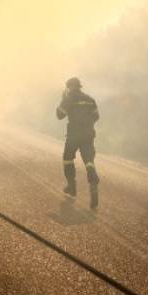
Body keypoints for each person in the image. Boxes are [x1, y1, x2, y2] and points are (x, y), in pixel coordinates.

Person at [56, 77, 100, 209]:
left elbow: (59, 115)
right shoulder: (90, 99)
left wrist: (63, 100)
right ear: (79, 86)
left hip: (73, 135)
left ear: (70, 87)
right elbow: (96, 116)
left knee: (68, 158)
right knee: (89, 160)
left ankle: (71, 187)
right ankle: (93, 181)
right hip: (88, 135)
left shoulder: (69, 98)